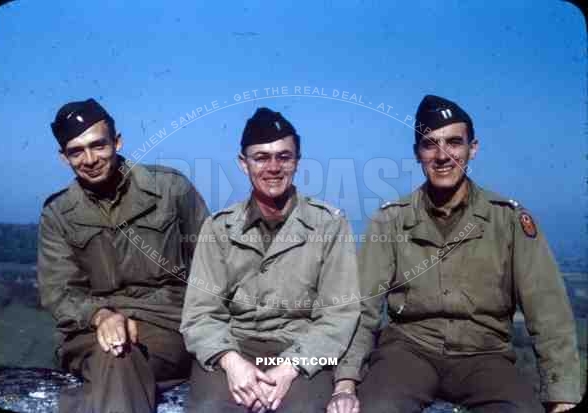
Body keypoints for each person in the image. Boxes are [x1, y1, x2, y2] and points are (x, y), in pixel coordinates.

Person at [327, 95, 581, 413]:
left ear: (472, 148)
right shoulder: (390, 220)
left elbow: (548, 312)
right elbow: (362, 308)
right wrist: (346, 382)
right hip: (407, 354)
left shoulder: (509, 220)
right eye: (430, 144)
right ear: (417, 153)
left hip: (486, 356)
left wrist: (563, 396)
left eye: (454, 142)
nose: (443, 155)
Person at [180, 107, 360, 413]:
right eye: (261, 157)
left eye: (284, 156)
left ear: (297, 161)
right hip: (234, 347)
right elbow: (200, 314)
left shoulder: (329, 225)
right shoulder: (219, 228)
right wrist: (232, 362)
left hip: (303, 351)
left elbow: (339, 315)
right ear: (243, 163)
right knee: (210, 408)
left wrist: (291, 367)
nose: (273, 167)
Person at [38, 98, 209, 413]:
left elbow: (212, 265)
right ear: (64, 158)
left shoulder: (170, 189)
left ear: (118, 142)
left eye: (98, 146)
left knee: (117, 360)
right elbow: (58, 291)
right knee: (116, 354)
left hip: (166, 325)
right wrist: (101, 317)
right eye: (76, 151)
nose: (89, 159)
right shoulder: (58, 213)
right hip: (88, 330)